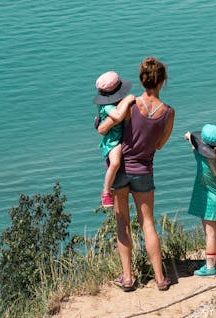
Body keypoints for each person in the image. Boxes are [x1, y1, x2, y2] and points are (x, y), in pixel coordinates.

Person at [97, 56, 175, 292]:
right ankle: (160, 278)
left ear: (141, 80)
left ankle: (128, 278)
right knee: (148, 223)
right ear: (162, 81)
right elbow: (160, 144)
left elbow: (105, 127)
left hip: (120, 170)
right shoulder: (168, 113)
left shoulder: (130, 105)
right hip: (144, 171)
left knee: (123, 224)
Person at [184, 124, 216, 276]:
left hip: (208, 202)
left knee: (210, 234)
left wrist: (189, 136)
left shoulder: (200, 158)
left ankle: (210, 267)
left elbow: (193, 142)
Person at [93, 70, 136, 208]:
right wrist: (128, 100)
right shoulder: (107, 106)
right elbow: (117, 117)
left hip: (118, 136)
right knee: (115, 163)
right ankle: (106, 192)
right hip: (113, 140)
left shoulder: (112, 102)